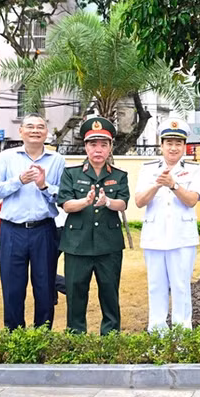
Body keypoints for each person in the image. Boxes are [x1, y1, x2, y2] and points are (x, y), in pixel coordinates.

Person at [0, 114, 66, 330]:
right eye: (30, 126)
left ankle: (42, 337)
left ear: (46, 133)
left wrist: (44, 185)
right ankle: (14, 337)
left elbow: (64, 196)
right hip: (12, 231)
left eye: (40, 127)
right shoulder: (6, 157)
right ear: (21, 131)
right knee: (12, 288)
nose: (35, 130)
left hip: (44, 231)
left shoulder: (57, 160)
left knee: (45, 287)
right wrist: (18, 181)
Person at [57, 116, 129, 334]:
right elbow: (66, 205)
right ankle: (76, 336)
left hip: (109, 246)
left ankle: (110, 336)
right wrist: (85, 202)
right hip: (77, 245)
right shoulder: (71, 174)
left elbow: (123, 203)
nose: (98, 149)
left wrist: (107, 201)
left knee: (109, 292)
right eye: (93, 144)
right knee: (76, 292)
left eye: (103, 145)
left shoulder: (119, 176)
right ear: (85, 146)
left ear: (110, 148)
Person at [135, 118, 200, 332]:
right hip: (154, 237)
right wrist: (157, 184)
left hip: (182, 237)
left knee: (181, 287)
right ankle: (158, 335)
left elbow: (192, 200)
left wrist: (173, 185)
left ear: (184, 146)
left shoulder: (193, 169)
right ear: (161, 145)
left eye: (178, 143)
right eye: (169, 143)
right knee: (156, 287)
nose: (173, 148)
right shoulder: (148, 169)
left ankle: (183, 336)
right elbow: (139, 201)